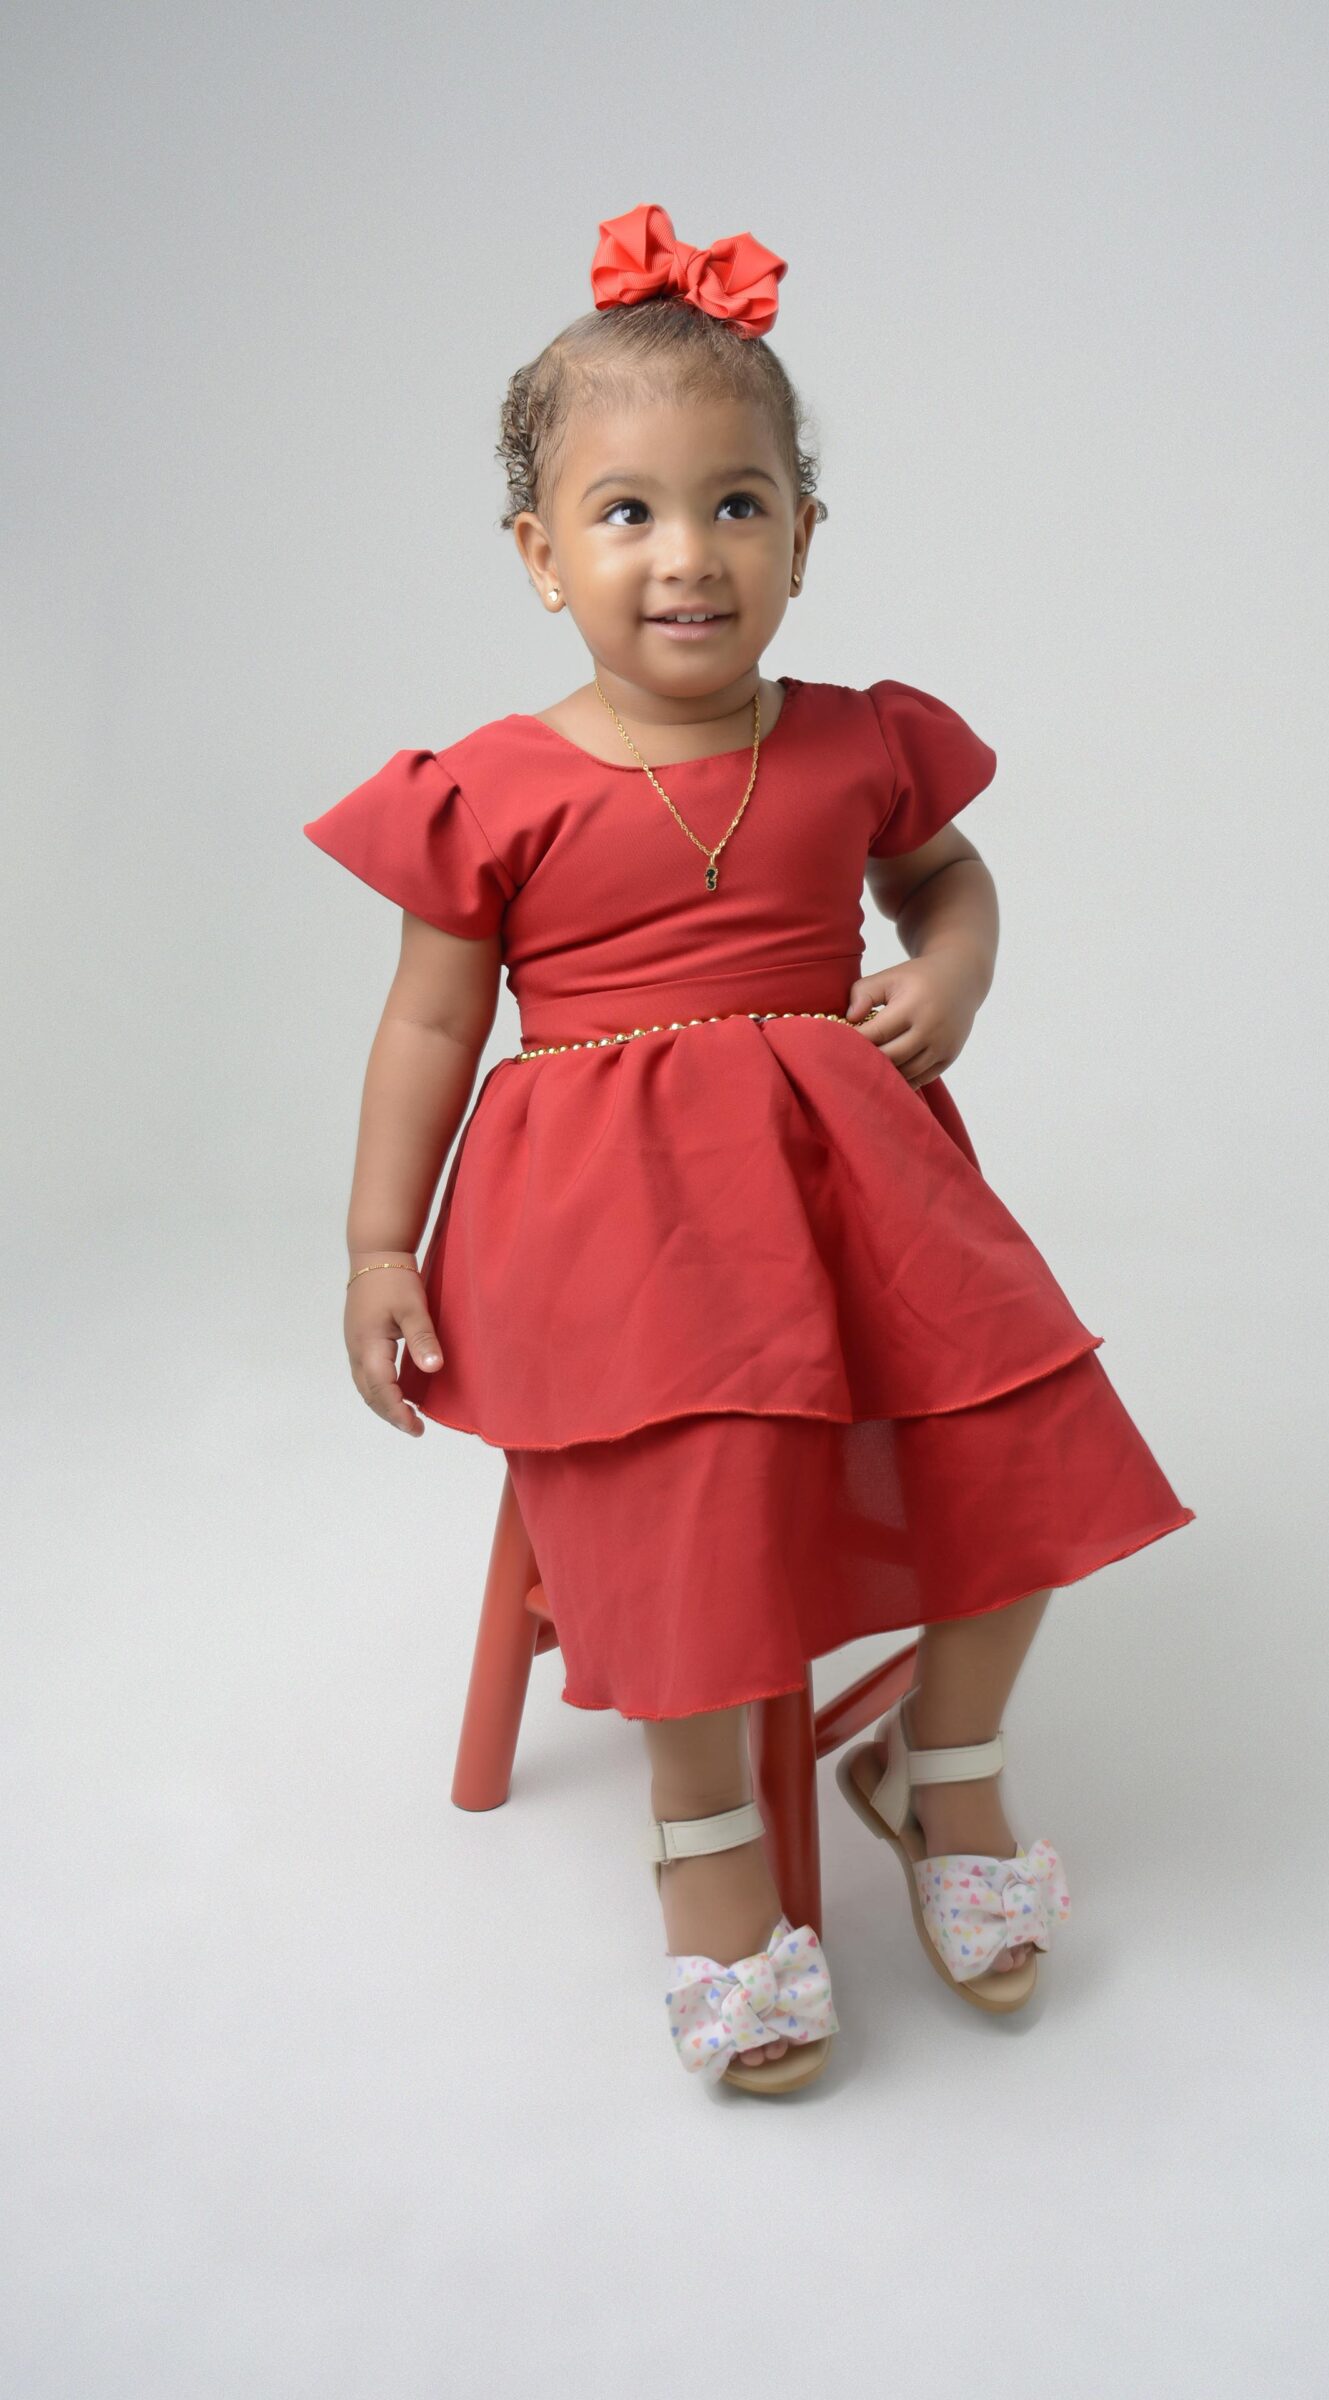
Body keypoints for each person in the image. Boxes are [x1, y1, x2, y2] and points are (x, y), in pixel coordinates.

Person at [304, 203, 1196, 2098]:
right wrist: (381, 1245)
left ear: (803, 534)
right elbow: (431, 1026)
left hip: (856, 1191)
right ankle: (707, 1838)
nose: (687, 553)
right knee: (694, 1501)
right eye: (625, 512)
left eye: (737, 504)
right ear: (542, 556)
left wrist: (951, 972)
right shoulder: (495, 786)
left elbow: (949, 879)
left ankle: (942, 1764)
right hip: (616, 1234)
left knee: (1029, 1429)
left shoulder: (856, 740)